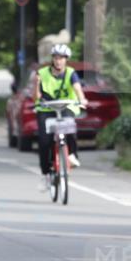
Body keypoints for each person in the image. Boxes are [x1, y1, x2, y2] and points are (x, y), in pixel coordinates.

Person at [34, 43, 88, 190]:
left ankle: (72, 155)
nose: (59, 61)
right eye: (56, 58)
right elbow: (36, 97)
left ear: (66, 60)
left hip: (65, 106)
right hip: (46, 108)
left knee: (69, 127)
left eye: (62, 58)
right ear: (52, 59)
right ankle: (46, 174)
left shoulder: (71, 73)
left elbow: (77, 88)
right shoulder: (42, 73)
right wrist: (36, 85)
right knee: (44, 142)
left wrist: (82, 99)